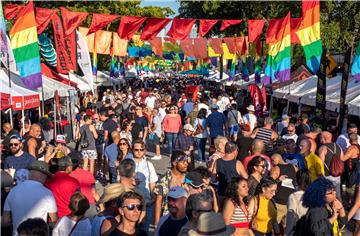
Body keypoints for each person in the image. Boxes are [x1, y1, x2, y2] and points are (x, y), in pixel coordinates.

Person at [2, 161, 58, 235]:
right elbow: (54, 220)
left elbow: (5, 221)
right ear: (43, 176)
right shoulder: (47, 193)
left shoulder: (13, 191)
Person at [154, 151, 189, 225]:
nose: (186, 164)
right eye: (183, 162)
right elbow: (158, 200)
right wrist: (157, 222)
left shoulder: (188, 179)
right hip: (168, 217)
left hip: (185, 218)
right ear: (174, 163)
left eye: (186, 161)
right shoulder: (164, 179)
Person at [131, 139, 158, 233]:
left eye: (141, 150)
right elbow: (120, 181)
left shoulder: (149, 165)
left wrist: (152, 195)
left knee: (144, 231)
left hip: (146, 203)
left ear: (145, 151)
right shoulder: (127, 163)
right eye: (136, 149)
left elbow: (152, 181)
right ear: (132, 150)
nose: (139, 152)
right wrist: (131, 182)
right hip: (131, 204)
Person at [270, 153, 297, 233]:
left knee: (273, 227)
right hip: (290, 203)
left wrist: (278, 180)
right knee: (287, 229)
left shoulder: (276, 168)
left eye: (272, 160)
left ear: (276, 159)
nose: (271, 163)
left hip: (278, 202)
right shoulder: (293, 167)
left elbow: (269, 184)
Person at [214, 141, 248, 206]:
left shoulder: (218, 161)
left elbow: (213, 177)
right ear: (234, 151)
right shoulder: (237, 163)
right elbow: (245, 177)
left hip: (221, 192)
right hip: (233, 196)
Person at [318, 131, 344, 197]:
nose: (320, 139)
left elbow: (320, 164)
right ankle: (340, 206)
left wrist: (321, 176)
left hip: (327, 176)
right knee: (337, 195)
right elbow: (342, 159)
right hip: (337, 175)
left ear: (323, 138)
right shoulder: (338, 146)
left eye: (320, 138)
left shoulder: (322, 148)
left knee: (326, 196)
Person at [286, 169, 312, 236]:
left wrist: (288, 233)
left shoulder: (293, 197)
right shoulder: (314, 195)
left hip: (300, 231)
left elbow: (291, 218)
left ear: (297, 180)